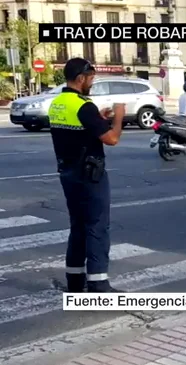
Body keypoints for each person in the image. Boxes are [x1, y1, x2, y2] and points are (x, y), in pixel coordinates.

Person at [48, 58, 125, 293]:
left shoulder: (58, 103)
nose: (92, 82)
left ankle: (74, 280)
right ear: (81, 78)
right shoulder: (84, 105)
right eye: (91, 78)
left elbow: (79, 128)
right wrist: (119, 116)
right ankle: (99, 283)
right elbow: (111, 139)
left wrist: (98, 116)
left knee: (78, 226)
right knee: (97, 226)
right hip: (90, 175)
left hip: (68, 173)